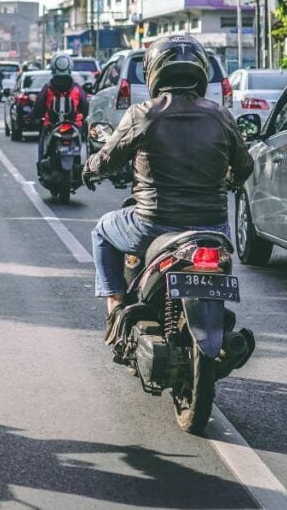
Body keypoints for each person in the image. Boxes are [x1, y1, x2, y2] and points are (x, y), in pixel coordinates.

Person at [80, 35, 254, 332]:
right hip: (214, 229)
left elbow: (107, 159)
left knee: (102, 231)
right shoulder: (221, 114)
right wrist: (231, 180)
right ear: (201, 71)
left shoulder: (143, 113)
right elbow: (244, 166)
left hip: (153, 225)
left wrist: (89, 170)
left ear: (154, 71)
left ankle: (116, 307)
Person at [31, 54, 89, 167]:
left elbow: (38, 107)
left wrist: (34, 116)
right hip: (75, 126)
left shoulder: (48, 88)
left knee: (42, 138)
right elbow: (85, 106)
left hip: (51, 125)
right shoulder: (76, 88)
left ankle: (40, 162)